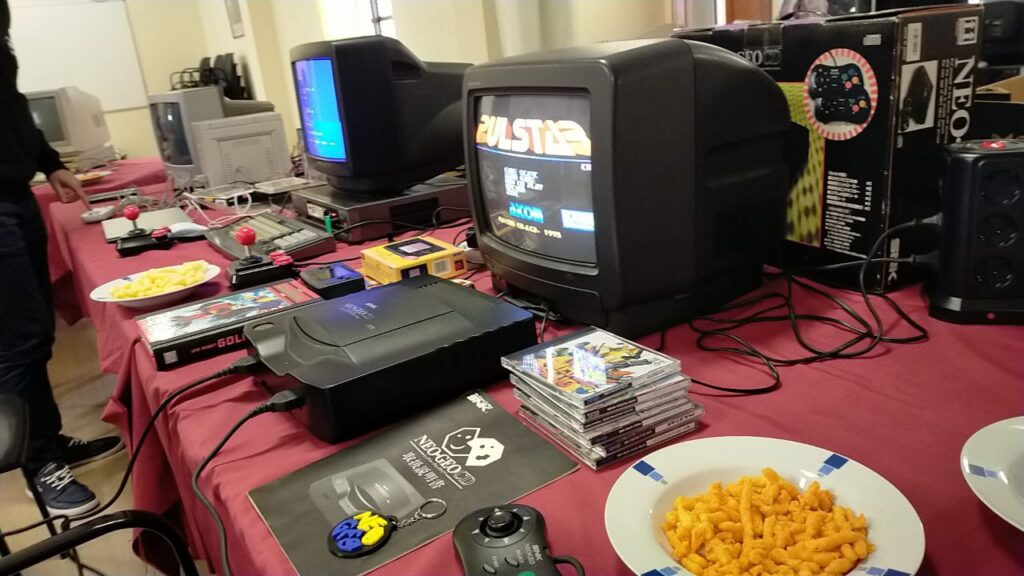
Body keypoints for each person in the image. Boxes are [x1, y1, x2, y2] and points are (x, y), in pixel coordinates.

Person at [1, 0, 123, 515]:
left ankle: (48, 441)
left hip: (15, 196)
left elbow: (10, 108)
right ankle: (39, 465)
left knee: (36, 335)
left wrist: (49, 162)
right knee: (15, 343)